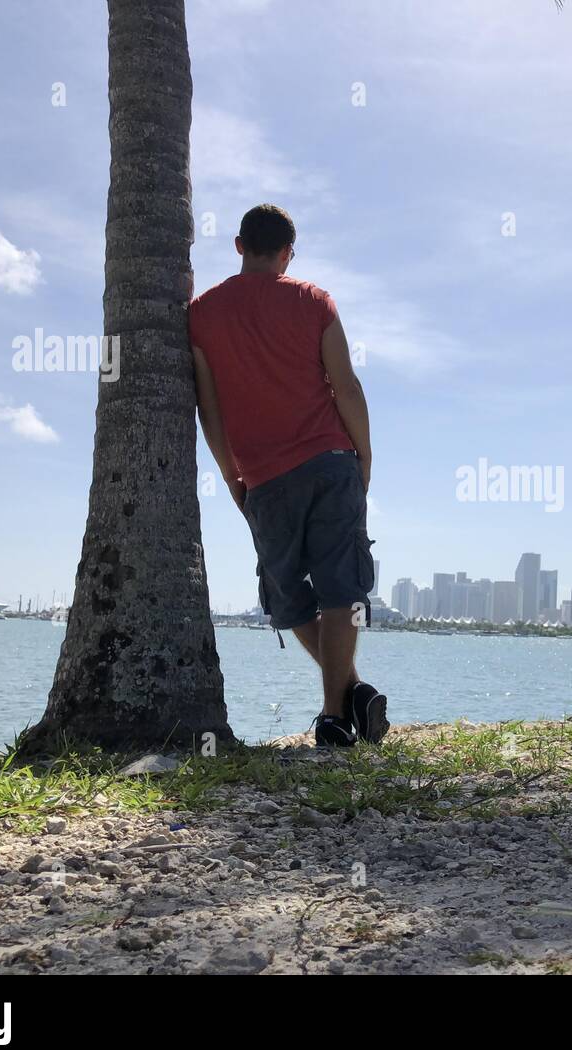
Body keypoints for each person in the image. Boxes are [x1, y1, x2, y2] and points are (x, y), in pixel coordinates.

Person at [189, 204, 387, 748]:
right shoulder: (314, 301)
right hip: (332, 461)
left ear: (238, 245)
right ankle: (343, 705)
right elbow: (346, 386)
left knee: (287, 598)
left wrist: (231, 475)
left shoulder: (201, 314)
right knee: (341, 589)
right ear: (287, 253)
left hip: (265, 478)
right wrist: (365, 456)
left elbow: (209, 408)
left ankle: (340, 705)